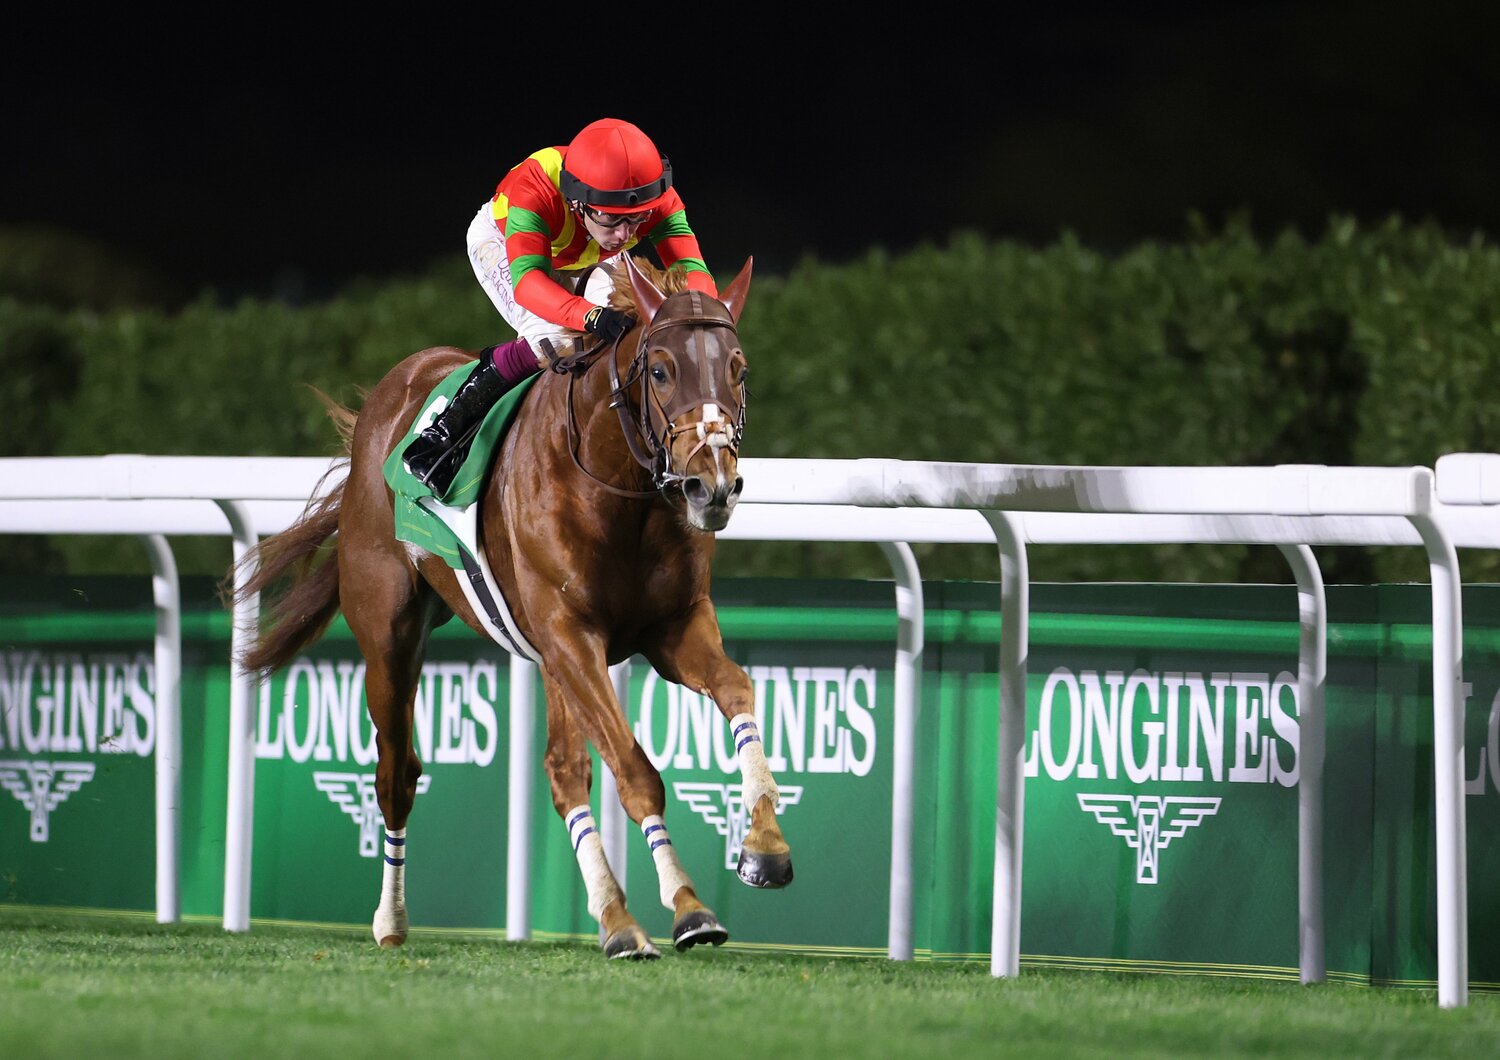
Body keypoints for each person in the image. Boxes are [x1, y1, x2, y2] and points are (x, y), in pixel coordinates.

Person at [402, 117, 719, 494]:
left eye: (636, 221)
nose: (625, 235)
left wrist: (703, 315)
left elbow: (693, 269)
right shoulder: (534, 186)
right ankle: (441, 437)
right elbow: (530, 283)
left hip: (584, 256)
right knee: (551, 336)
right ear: (576, 199)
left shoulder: (653, 197)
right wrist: (588, 315)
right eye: (612, 219)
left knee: (636, 322)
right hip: (505, 244)